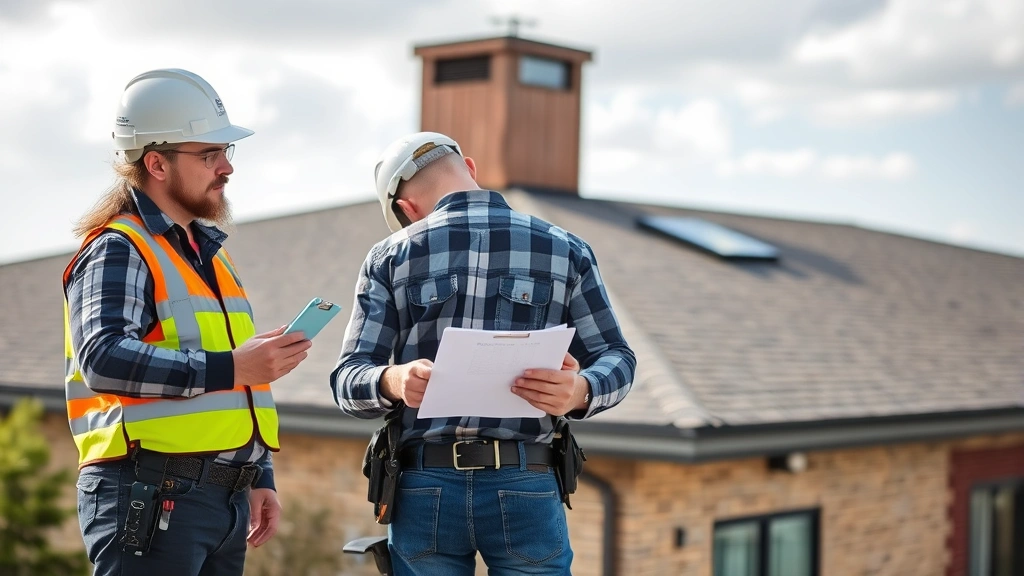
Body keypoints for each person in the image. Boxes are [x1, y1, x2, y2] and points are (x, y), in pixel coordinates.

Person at [332, 131, 636, 575]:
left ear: (407, 209)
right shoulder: (566, 249)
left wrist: (392, 380)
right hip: (526, 481)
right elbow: (618, 357)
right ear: (469, 168)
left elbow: (347, 380)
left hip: (424, 488)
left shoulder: (389, 256)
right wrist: (582, 390)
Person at [64, 68, 312, 576]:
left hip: (223, 498)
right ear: (155, 162)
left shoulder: (212, 256)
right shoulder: (119, 248)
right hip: (149, 492)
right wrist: (232, 367)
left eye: (226, 152)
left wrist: (258, 473)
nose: (226, 168)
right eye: (209, 154)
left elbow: (235, 385)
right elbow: (103, 359)